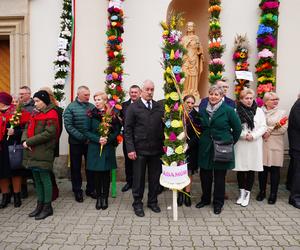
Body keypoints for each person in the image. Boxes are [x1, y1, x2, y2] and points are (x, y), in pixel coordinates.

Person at [196, 85, 241, 214]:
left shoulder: (228, 110)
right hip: (206, 147)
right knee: (205, 176)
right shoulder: (203, 109)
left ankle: (218, 203)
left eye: (216, 94)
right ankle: (205, 199)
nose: (213, 97)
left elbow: (237, 129)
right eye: (211, 94)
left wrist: (230, 142)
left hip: (222, 147)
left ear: (221, 96)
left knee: (219, 177)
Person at [124, 80, 164, 217]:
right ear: (142, 90)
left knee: (154, 178)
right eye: (147, 89)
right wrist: (130, 149)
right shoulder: (133, 107)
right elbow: (127, 130)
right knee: (138, 179)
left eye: (152, 89)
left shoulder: (158, 107)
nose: (150, 92)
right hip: (139, 150)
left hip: (156, 150)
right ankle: (137, 203)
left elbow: (163, 126)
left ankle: (152, 202)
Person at [22, 90, 59, 220]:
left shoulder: (52, 113)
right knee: (36, 179)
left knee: (44, 178)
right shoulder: (34, 113)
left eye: (37, 101)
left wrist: (29, 142)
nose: (35, 103)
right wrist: (24, 140)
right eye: (35, 101)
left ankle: (47, 207)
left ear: (45, 101)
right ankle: (40, 205)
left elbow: (49, 133)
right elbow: (27, 127)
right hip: (32, 151)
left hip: (43, 150)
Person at [85, 91, 121, 210]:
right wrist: (97, 139)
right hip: (95, 147)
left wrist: (107, 139)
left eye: (99, 99)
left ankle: (105, 197)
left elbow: (116, 130)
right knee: (96, 174)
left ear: (105, 101)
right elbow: (86, 131)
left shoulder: (112, 114)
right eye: (95, 100)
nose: (96, 102)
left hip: (107, 147)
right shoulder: (91, 114)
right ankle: (98, 197)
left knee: (105, 174)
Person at [234, 89, 267, 207]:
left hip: (254, 143)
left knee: (251, 169)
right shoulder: (235, 110)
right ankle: (241, 193)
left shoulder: (259, 111)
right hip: (241, 143)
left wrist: (253, 135)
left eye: (250, 98)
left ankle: (247, 194)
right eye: (246, 98)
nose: (248, 101)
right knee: (241, 169)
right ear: (241, 99)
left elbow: (263, 127)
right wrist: (243, 135)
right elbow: (233, 126)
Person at [64, 86, 96, 202]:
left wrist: (91, 137)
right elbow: (69, 126)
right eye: (85, 95)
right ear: (78, 94)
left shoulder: (92, 107)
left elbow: (95, 124)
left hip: (90, 143)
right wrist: (83, 138)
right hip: (76, 143)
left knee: (90, 167)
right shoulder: (70, 108)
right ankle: (77, 190)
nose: (88, 97)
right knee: (76, 168)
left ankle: (91, 189)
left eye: (88, 94)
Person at [256, 92, 288, 204]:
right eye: (272, 99)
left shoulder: (282, 113)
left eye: (277, 99)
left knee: (275, 170)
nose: (276, 101)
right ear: (265, 101)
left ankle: (273, 194)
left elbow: (283, 129)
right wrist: (263, 132)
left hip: (276, 145)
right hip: (262, 145)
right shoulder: (259, 111)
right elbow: (256, 126)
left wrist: (268, 131)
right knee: (263, 171)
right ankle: (262, 191)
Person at [0, 92, 30, 208]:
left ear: (3, 102)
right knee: (2, 174)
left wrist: (15, 132)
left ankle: (17, 196)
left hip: (13, 147)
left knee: (15, 172)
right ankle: (5, 196)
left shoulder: (17, 113)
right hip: (1, 148)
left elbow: (26, 130)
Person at [40, 87, 63, 201]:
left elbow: (58, 130)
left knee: (48, 168)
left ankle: (53, 190)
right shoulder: (39, 110)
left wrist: (51, 143)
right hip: (40, 145)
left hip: (51, 145)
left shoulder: (57, 110)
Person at [177, 95, 200, 207]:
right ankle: (180, 193)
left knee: (189, 171)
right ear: (183, 102)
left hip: (191, 148)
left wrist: (188, 145)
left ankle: (187, 193)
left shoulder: (196, 115)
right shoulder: (177, 114)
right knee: (179, 170)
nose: (190, 105)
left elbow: (198, 134)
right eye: (188, 102)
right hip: (178, 148)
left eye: (192, 103)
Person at [120, 85, 141, 192]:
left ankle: (138, 184)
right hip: (128, 139)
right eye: (131, 92)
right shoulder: (123, 105)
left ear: (140, 93)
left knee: (139, 162)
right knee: (128, 162)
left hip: (141, 139)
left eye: (135, 92)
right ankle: (129, 182)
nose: (133, 94)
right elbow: (118, 121)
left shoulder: (144, 105)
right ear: (129, 93)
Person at [18, 86, 35, 198]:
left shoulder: (34, 106)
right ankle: (23, 187)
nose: (20, 96)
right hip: (17, 137)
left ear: (29, 94)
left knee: (32, 163)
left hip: (29, 138)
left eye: (23, 94)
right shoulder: (18, 106)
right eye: (20, 94)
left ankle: (37, 185)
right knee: (20, 164)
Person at [181, 21, 204, 99]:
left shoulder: (196, 38)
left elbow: (200, 50)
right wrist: (186, 43)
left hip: (194, 59)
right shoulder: (184, 38)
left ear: (194, 28)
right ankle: (185, 92)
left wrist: (199, 49)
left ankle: (193, 92)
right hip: (186, 59)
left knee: (194, 76)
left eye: (191, 26)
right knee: (185, 75)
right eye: (188, 26)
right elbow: (181, 49)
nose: (189, 27)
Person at [287, 93, 300, 209]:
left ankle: (290, 186)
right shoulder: (297, 107)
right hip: (297, 145)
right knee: (298, 173)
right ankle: (294, 198)